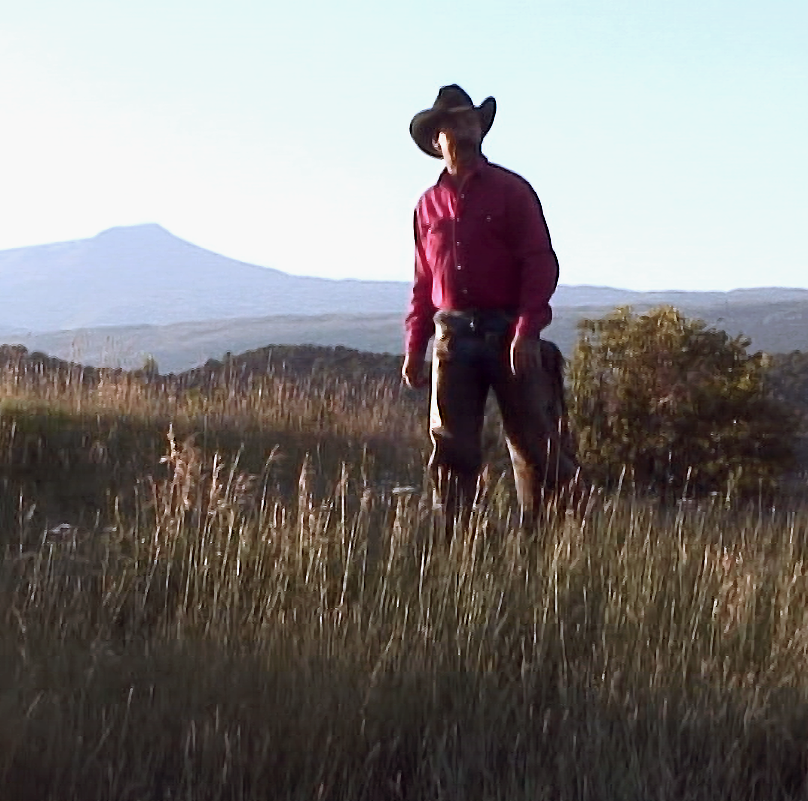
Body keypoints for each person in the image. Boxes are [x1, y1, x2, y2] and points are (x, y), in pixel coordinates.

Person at [402, 84, 581, 532]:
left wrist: (527, 330)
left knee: (535, 444)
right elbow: (424, 283)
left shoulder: (512, 191)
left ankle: (545, 547)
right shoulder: (426, 207)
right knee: (451, 447)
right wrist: (413, 347)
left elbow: (539, 262)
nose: (465, 130)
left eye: (470, 122)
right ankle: (457, 545)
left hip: (507, 333)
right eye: (454, 124)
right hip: (453, 338)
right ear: (435, 140)